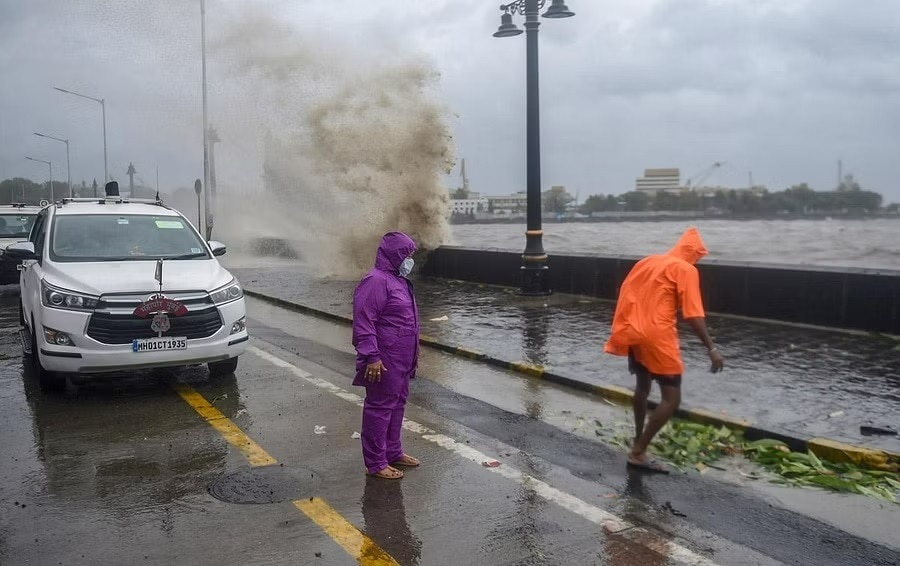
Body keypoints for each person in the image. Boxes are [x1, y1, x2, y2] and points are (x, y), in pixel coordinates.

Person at [604, 227, 725, 473]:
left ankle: (638, 438)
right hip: (659, 337)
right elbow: (693, 314)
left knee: (642, 387)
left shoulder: (648, 261)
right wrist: (711, 348)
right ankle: (638, 453)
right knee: (671, 399)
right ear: (693, 253)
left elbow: (626, 293)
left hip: (634, 331)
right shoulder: (686, 270)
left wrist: (624, 328)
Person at [352, 232, 421, 480]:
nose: (410, 259)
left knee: (397, 405)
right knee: (379, 409)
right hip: (384, 359)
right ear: (395, 254)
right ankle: (376, 463)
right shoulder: (375, 281)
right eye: (407, 254)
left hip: (402, 360)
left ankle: (393, 452)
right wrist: (372, 356)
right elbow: (364, 322)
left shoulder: (398, 281)